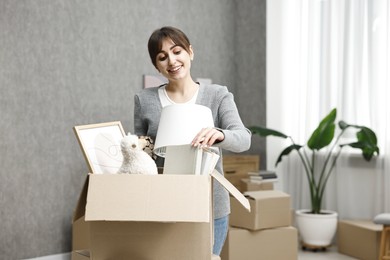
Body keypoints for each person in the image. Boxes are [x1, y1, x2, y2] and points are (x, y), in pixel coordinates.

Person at [133, 26, 251, 255]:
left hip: (210, 204)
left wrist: (220, 134)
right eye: (162, 57)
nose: (172, 60)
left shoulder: (217, 95)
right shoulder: (144, 99)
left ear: (190, 53)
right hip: (163, 202)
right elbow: (143, 154)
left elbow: (243, 139)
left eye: (177, 51)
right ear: (156, 65)